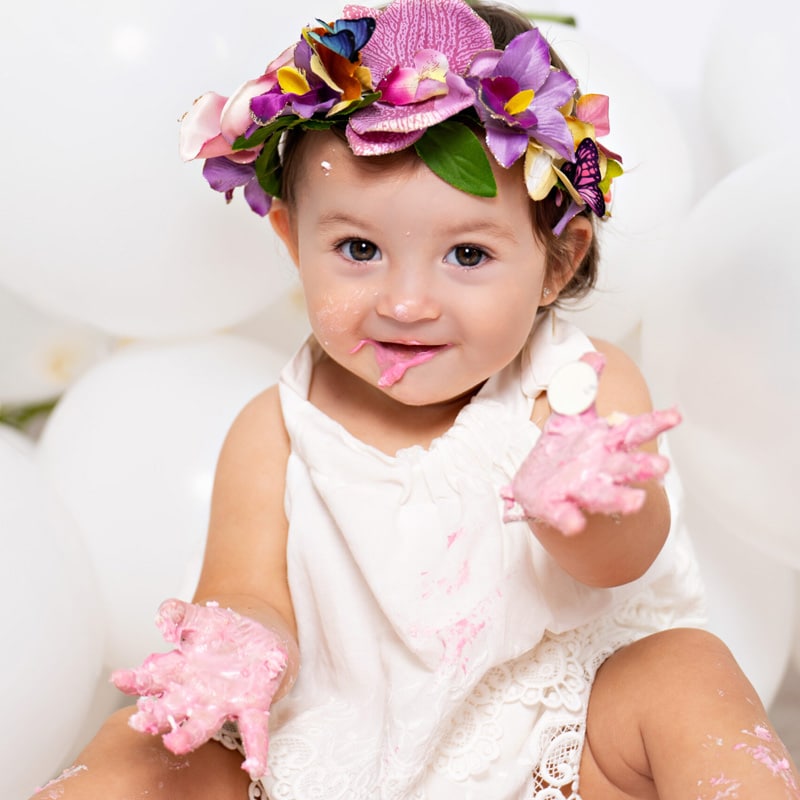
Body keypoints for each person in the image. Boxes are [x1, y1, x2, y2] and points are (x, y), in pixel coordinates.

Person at [31, 1, 800, 798]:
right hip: (324, 748)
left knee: (680, 670)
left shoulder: (573, 388)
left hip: (556, 746)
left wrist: (589, 508)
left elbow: (623, 563)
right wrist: (236, 648)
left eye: (467, 254)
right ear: (293, 238)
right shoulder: (277, 432)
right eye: (358, 249)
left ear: (558, 263)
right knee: (145, 740)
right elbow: (246, 589)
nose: (405, 302)